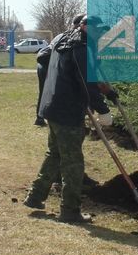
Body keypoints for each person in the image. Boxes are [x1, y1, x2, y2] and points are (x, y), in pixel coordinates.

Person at [24, 16, 112, 224]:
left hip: (52, 107)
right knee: (73, 162)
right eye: (97, 30)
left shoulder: (62, 40)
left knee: (54, 154)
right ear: (84, 27)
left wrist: (108, 92)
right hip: (67, 111)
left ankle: (35, 197)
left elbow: (83, 75)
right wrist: (103, 110)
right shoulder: (80, 48)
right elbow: (86, 83)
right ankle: (70, 210)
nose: (101, 34)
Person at [34, 14, 84, 126]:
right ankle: (43, 117)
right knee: (49, 91)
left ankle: (41, 117)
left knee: (45, 91)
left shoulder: (62, 35)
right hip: (48, 65)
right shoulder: (72, 37)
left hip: (44, 63)